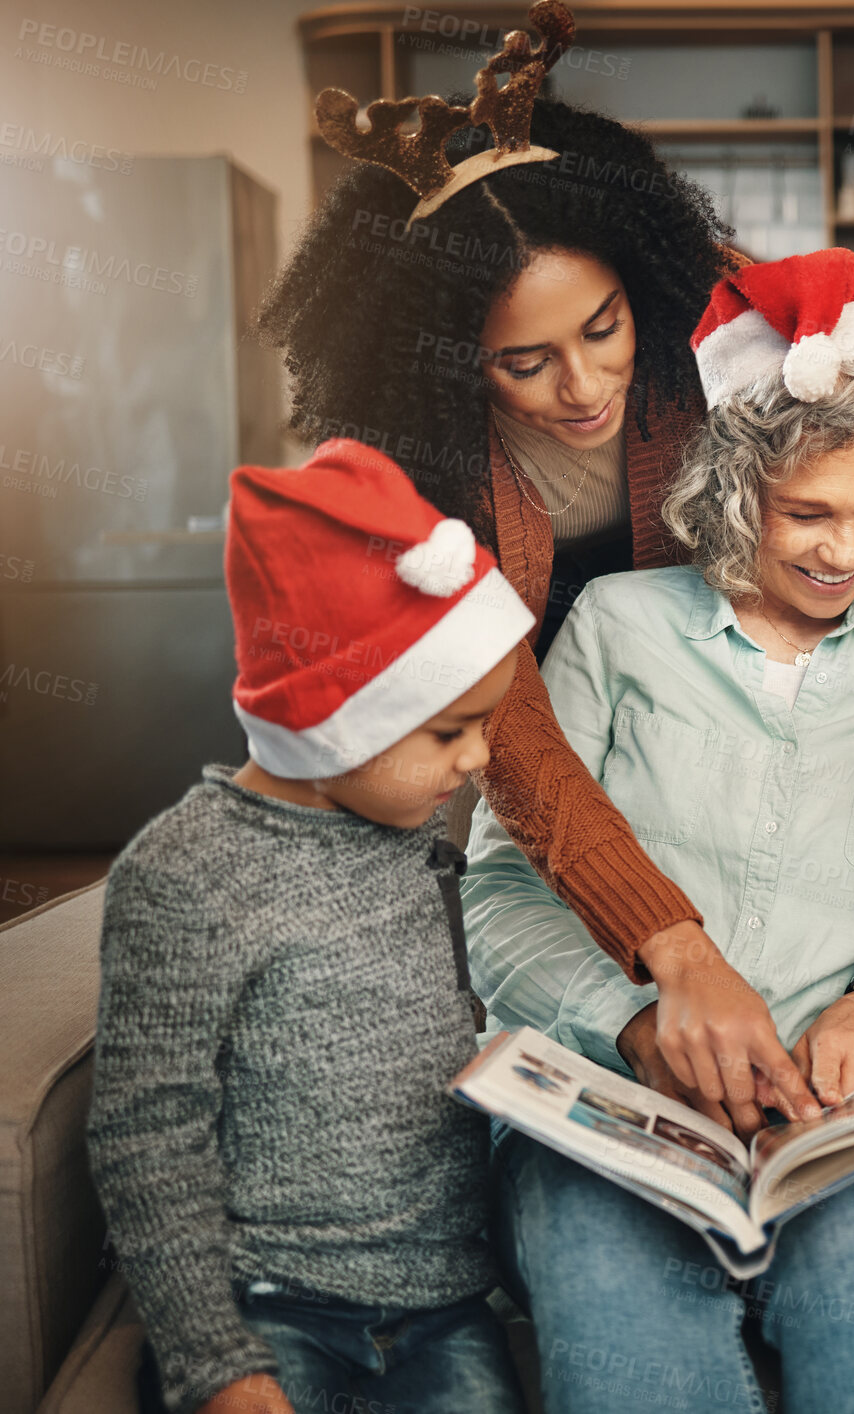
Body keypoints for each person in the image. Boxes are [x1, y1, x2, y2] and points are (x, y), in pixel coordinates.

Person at [463, 250, 854, 1412]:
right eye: (804, 511)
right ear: (730, 484)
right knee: (629, 1345)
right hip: (615, 1117)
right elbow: (500, 898)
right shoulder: (616, 626)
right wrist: (637, 1022)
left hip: (837, 1125)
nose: (841, 551)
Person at [257, 15, 816, 1130]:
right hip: (515, 682)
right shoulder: (409, 466)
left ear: (638, 288)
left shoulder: (720, 326)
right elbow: (505, 716)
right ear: (447, 361)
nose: (582, 385)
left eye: (603, 328)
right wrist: (671, 943)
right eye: (523, 361)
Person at [87, 441, 536, 1414]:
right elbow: (145, 1138)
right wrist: (218, 1366)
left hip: (444, 1308)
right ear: (332, 718)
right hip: (269, 1305)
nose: (480, 756)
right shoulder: (183, 875)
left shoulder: (412, 831)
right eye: (449, 729)